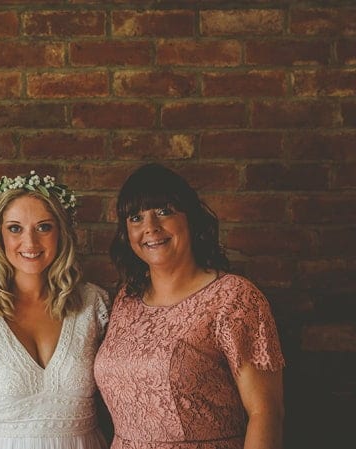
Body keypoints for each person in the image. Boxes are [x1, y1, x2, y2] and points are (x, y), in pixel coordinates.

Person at [93, 163, 285, 449]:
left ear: (191, 219)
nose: (150, 228)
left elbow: (266, 413)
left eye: (164, 211)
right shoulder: (126, 299)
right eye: (136, 217)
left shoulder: (234, 298)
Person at [0, 171, 110, 449]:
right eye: (15, 228)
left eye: (43, 227)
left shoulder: (94, 304)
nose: (30, 243)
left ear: (61, 232)